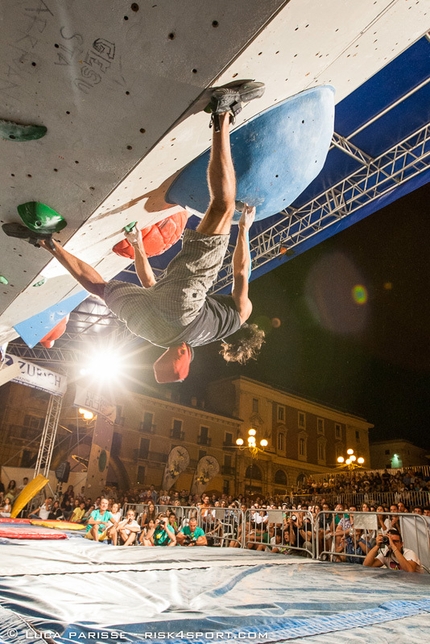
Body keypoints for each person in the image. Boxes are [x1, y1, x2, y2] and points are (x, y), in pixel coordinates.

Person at [33, 82, 266, 383]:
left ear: (185, 353)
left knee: (223, 207)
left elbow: (241, 272)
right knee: (100, 289)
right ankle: (48, 244)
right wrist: (137, 246)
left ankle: (223, 111)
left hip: (184, 311)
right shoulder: (154, 335)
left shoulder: (238, 317)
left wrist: (244, 229)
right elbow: (148, 283)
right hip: (145, 324)